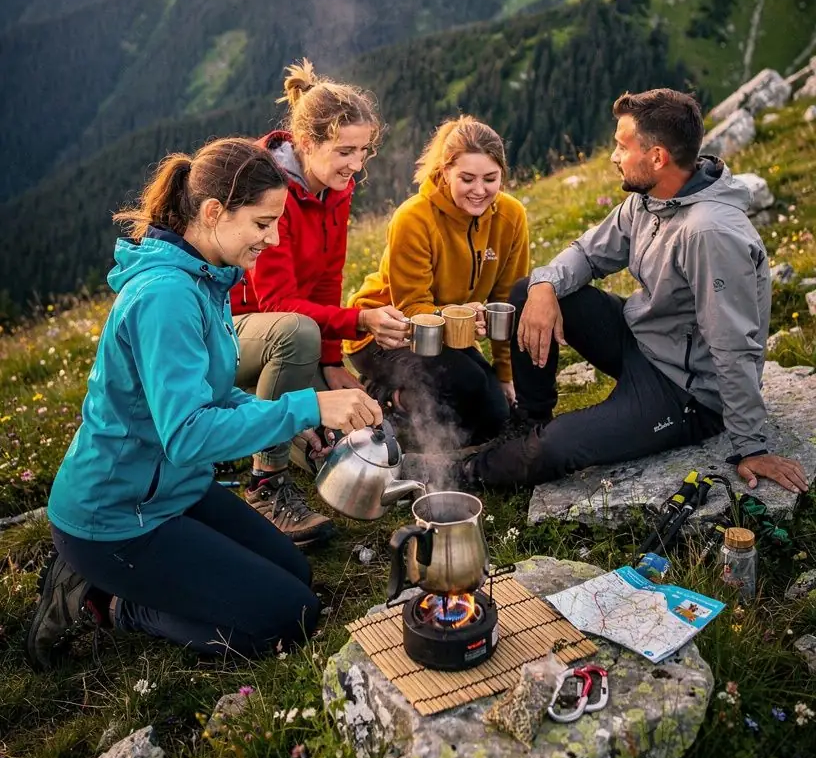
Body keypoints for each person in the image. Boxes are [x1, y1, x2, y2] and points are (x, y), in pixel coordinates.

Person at [26, 138, 382, 672]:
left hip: (173, 490)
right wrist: (307, 408)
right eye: (263, 223)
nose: (273, 238)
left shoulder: (206, 277)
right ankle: (110, 601)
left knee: (297, 573)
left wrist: (290, 421)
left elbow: (213, 396)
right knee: (290, 618)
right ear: (214, 212)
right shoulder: (166, 297)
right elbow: (188, 434)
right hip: (117, 517)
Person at [460, 89, 808, 495]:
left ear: (657, 157)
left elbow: (734, 345)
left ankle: (459, 475)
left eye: (622, 147)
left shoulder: (710, 233)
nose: (613, 156)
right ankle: (528, 421)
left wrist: (751, 445)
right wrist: (544, 284)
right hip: (642, 342)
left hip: (685, 391)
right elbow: (587, 254)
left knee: (556, 446)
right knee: (529, 293)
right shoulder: (650, 198)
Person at [229, 60, 408, 544]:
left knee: (339, 433)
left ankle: (282, 435)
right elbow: (277, 305)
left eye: (363, 151)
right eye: (344, 151)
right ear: (306, 143)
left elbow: (328, 280)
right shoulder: (268, 190)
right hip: (235, 331)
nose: (356, 165)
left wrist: (331, 363)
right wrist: (360, 320)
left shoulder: (335, 188)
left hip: (292, 334)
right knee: (300, 355)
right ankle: (265, 483)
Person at [347, 117, 530, 448]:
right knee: (466, 384)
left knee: (494, 414)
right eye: (467, 179)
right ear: (445, 172)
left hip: (449, 334)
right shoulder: (413, 218)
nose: (479, 190)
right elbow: (412, 308)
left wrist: (505, 375)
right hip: (387, 334)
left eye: (490, 179)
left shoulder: (511, 216)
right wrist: (461, 316)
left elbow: (507, 303)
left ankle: (429, 404)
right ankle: (386, 397)